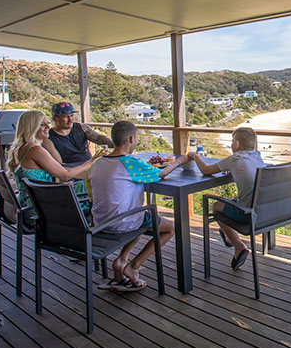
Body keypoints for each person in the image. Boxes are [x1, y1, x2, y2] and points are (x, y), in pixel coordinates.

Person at [89, 120, 188, 292]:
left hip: (99, 222)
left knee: (143, 218)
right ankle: (134, 266)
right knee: (169, 228)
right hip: (123, 222)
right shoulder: (131, 163)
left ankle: (121, 262)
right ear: (131, 139)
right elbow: (162, 173)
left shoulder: (97, 163)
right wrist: (180, 161)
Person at [189, 127, 265, 270]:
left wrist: (195, 156)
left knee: (217, 206)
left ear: (237, 144)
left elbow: (206, 170)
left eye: (232, 142)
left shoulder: (235, 158)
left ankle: (238, 245)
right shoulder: (257, 156)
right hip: (265, 211)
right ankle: (227, 234)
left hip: (248, 214)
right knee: (234, 199)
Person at [7, 110, 103, 208]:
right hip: (43, 208)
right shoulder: (35, 150)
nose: (48, 127)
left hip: (30, 202)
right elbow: (65, 175)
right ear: (31, 128)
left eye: (47, 123)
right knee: (96, 186)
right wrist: (91, 161)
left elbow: (42, 177)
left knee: (84, 185)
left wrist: (59, 187)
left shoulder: (19, 148)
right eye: (42, 125)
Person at [44, 102, 113, 165]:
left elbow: (98, 138)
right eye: (65, 117)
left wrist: (118, 145)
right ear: (56, 118)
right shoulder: (49, 137)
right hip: (70, 170)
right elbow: (58, 165)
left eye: (71, 115)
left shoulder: (81, 127)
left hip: (89, 165)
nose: (71, 120)